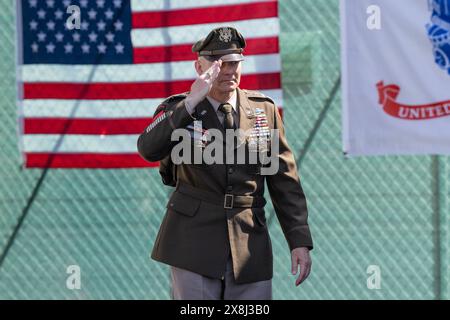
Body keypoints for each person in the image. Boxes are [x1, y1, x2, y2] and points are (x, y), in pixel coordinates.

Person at [137, 26, 313, 300]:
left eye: (234, 62)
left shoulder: (263, 110)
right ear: (199, 66)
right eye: (219, 63)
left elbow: (284, 180)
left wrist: (299, 239)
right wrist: (191, 101)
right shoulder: (180, 109)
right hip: (192, 243)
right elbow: (147, 148)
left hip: (248, 244)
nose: (229, 70)